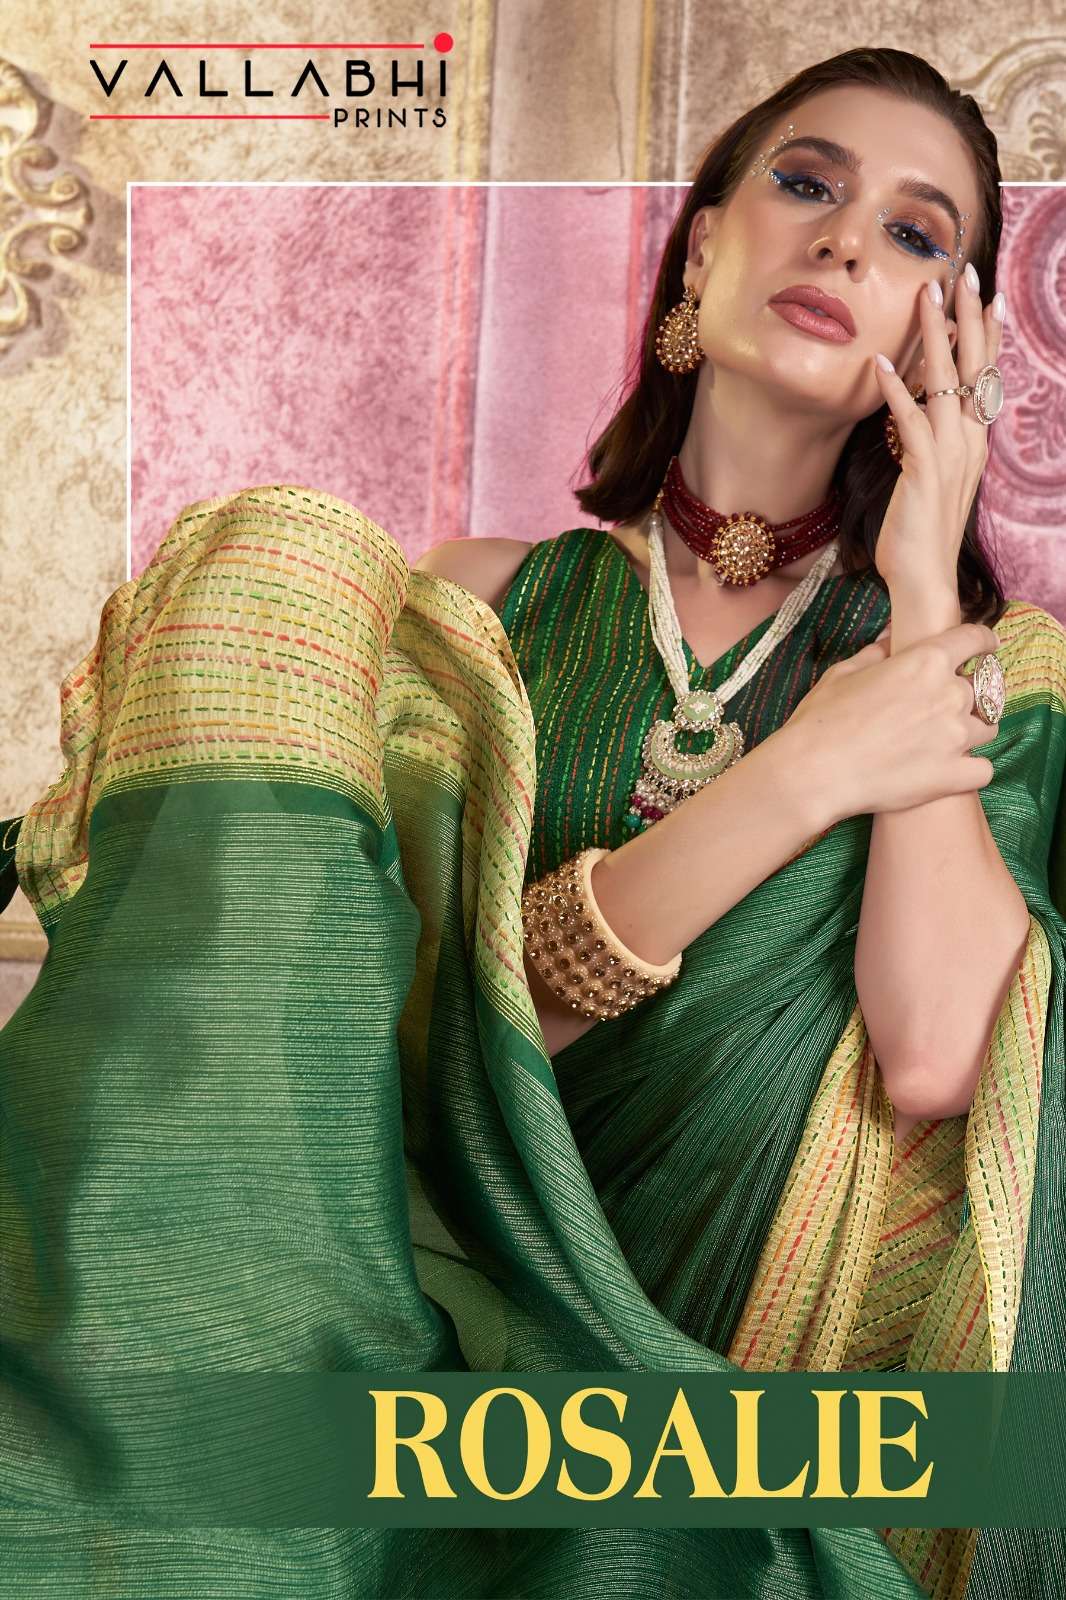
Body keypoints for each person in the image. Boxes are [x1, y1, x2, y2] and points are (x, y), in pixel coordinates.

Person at [1, 45, 1064, 1600]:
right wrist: (799, 779)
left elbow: (941, 1059)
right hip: (444, 1346)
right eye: (806, 184)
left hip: (765, 1416)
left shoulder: (987, 667)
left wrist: (917, 596)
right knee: (271, 568)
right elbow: (390, 1042)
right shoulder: (477, 609)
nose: (845, 241)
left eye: (914, 233)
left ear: (944, 330)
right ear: (703, 246)